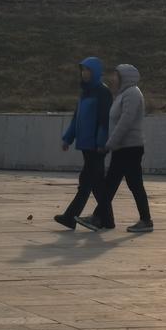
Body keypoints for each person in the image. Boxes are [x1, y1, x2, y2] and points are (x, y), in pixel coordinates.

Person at [81, 62, 153, 233]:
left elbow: (125, 122)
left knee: (124, 184)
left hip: (129, 148)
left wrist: (109, 144)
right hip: (123, 147)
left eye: (116, 75)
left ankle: (144, 220)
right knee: (115, 184)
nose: (113, 78)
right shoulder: (123, 95)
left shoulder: (132, 94)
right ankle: (100, 218)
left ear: (125, 78)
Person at [54, 56, 114, 230]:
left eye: (87, 70)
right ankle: (108, 220)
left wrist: (101, 143)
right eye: (82, 69)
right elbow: (77, 119)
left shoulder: (103, 92)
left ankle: (70, 217)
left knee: (87, 182)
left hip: (96, 146)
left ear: (95, 72)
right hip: (86, 145)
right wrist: (68, 138)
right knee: (97, 185)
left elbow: (105, 121)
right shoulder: (85, 92)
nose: (84, 73)